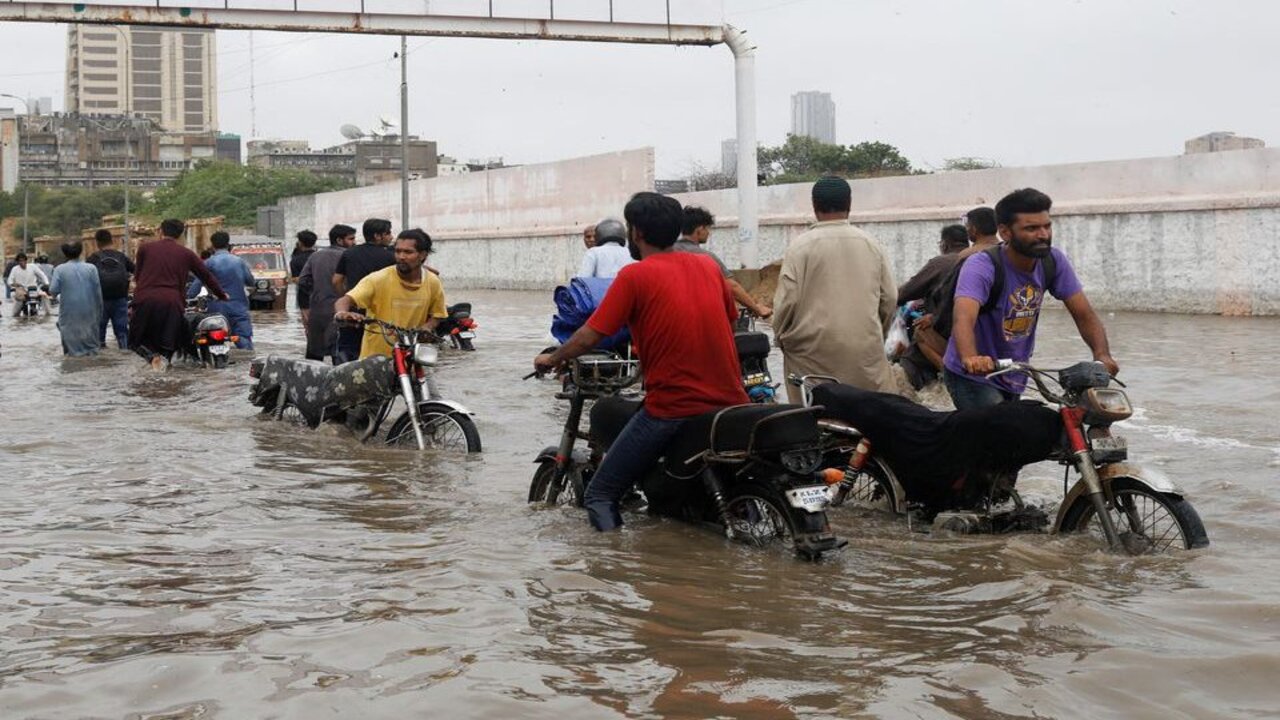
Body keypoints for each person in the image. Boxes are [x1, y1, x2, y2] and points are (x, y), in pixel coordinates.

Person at [533, 192, 748, 531]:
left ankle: (612, 572)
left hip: (673, 406)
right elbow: (730, 322)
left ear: (636, 233)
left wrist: (553, 358)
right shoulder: (708, 266)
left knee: (600, 494)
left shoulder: (635, 276)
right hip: (732, 401)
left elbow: (592, 334)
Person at [944, 188, 1118, 410]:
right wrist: (971, 357)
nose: (1043, 235)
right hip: (973, 376)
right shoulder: (981, 266)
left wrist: (1102, 355)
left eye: (1047, 226)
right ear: (1005, 233)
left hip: (1015, 372)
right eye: (1032, 228)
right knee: (998, 431)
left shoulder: (1053, 261)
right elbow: (963, 318)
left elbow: (1084, 314)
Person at [773, 176, 897, 401]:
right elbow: (889, 298)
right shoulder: (871, 244)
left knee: (811, 416)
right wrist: (876, 332)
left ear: (814, 205)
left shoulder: (800, 246)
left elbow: (787, 302)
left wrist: (781, 337)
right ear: (849, 204)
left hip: (810, 352)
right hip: (864, 350)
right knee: (875, 414)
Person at [906, 207, 1002, 379]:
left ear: (972, 230)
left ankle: (950, 374)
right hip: (1003, 340)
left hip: (969, 337)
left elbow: (950, 302)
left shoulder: (967, 257)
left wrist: (933, 318)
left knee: (921, 333)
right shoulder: (1009, 253)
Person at [333, 228, 447, 359]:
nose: (401, 257)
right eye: (398, 251)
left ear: (423, 255)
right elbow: (344, 300)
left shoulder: (432, 282)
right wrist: (342, 313)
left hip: (411, 355)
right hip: (376, 360)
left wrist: (427, 327)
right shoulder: (378, 279)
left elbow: (439, 314)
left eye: (408, 252)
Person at [130, 218, 228, 369]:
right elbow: (206, 276)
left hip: (145, 300)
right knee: (170, 343)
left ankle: (151, 358)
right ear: (181, 234)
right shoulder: (187, 254)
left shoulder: (145, 248)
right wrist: (221, 295)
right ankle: (165, 367)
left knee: (134, 341)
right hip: (172, 303)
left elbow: (138, 276)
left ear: (161, 232)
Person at [893, 224, 970, 389]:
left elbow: (906, 292)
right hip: (975, 338)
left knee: (915, 348)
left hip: (945, 333)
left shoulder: (942, 262)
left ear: (944, 245)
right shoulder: (983, 258)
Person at [674, 206, 772, 319]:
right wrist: (756, 308)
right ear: (700, 229)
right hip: (699, 317)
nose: (708, 233)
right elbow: (732, 286)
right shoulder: (705, 257)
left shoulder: (666, 252)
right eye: (707, 228)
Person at [332, 218, 395, 363]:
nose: (391, 237)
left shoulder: (349, 253)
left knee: (347, 352)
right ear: (377, 236)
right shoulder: (390, 257)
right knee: (377, 356)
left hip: (353, 312)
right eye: (388, 233)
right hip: (380, 314)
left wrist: (346, 299)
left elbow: (336, 281)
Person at [298, 223, 356, 362]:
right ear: (339, 240)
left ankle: (312, 384)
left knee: (314, 358)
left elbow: (303, 281)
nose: (354, 242)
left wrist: (317, 292)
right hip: (342, 312)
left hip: (318, 311)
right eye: (351, 239)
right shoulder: (349, 256)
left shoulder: (315, 256)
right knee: (340, 357)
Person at [188, 231, 256, 350]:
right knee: (244, 340)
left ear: (213, 245)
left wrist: (188, 298)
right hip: (239, 308)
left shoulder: (208, 263)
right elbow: (251, 282)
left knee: (212, 340)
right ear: (228, 244)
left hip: (216, 309)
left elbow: (195, 287)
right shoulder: (239, 261)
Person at [47, 240, 103, 356]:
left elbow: (53, 290)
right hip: (89, 313)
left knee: (70, 351)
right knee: (91, 348)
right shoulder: (91, 268)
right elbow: (98, 293)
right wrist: (99, 313)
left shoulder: (60, 269)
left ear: (65, 254)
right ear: (80, 252)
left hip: (69, 315)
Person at [87, 228, 135, 350]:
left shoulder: (93, 258)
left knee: (99, 332)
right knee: (122, 331)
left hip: (100, 300)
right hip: (120, 298)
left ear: (97, 242)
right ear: (112, 240)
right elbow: (137, 270)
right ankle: (124, 351)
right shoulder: (121, 257)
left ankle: (101, 360)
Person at [6, 252, 50, 316]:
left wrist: (46, 283)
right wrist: (15, 285)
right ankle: (17, 315)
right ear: (18, 262)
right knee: (15, 312)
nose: (22, 262)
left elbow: (42, 275)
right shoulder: (15, 269)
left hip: (34, 289)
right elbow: (9, 281)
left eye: (23, 260)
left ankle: (48, 314)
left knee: (45, 296)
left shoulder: (33, 266)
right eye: (20, 261)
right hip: (21, 290)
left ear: (26, 260)